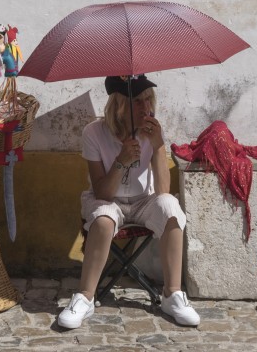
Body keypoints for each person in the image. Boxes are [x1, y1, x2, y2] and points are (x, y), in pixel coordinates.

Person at [56, 75, 201, 329]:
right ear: (120, 105)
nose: (146, 108)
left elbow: (164, 190)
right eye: (137, 102)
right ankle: (85, 297)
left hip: (144, 200)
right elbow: (103, 193)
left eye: (148, 100)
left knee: (171, 209)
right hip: (108, 200)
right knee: (103, 220)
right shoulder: (94, 133)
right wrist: (121, 160)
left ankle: (172, 294)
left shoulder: (152, 131)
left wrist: (157, 146)